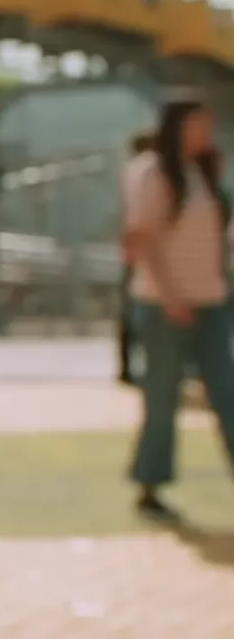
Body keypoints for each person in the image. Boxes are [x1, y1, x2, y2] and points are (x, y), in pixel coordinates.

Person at [121, 98, 234, 523]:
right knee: (162, 398)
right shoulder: (154, 172)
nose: (204, 133)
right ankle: (150, 485)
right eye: (197, 125)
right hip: (164, 304)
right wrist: (170, 297)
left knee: (227, 393)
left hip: (211, 299)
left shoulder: (204, 174)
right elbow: (144, 236)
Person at [118, 130, 156, 384]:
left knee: (130, 314)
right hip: (144, 255)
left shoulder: (132, 171)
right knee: (139, 313)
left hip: (136, 254)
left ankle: (128, 368)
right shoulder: (146, 172)